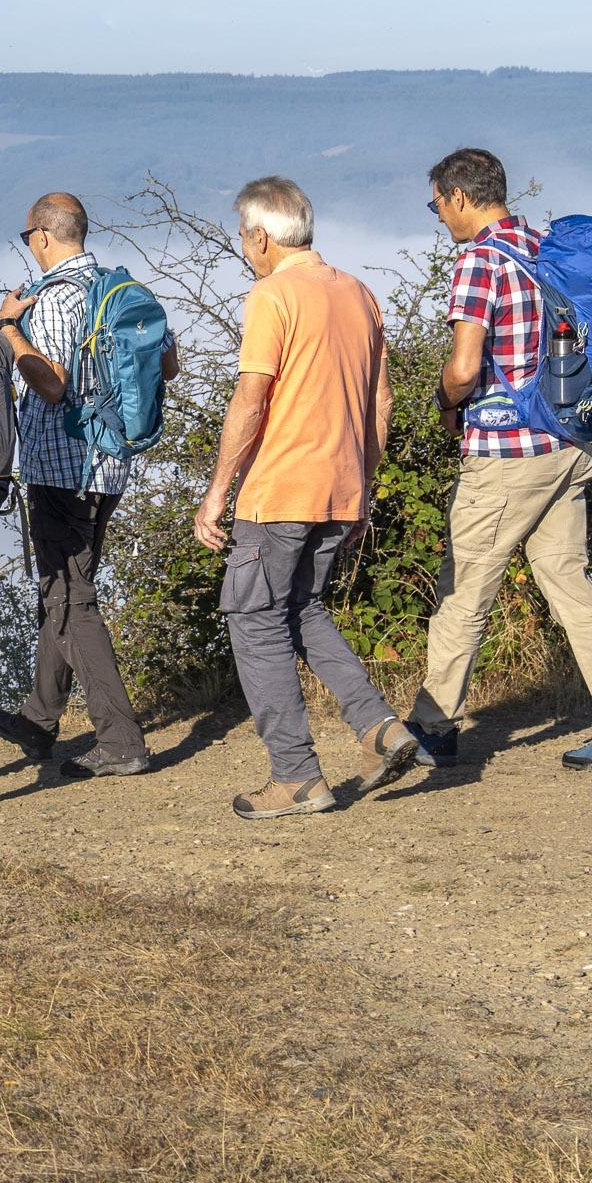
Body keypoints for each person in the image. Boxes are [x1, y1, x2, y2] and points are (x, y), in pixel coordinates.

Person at [409, 148, 592, 772]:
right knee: (571, 585)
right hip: (566, 444)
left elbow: (464, 368)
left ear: (460, 196)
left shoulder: (480, 261)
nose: (439, 217)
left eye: (437, 205)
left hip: (507, 455)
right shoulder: (544, 246)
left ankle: (432, 730)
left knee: (465, 589)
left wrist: (444, 403)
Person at [195, 177, 422, 820]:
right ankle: (380, 728)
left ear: (261, 237)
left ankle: (296, 776)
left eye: (244, 238)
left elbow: (251, 399)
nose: (244, 249)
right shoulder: (358, 293)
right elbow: (380, 403)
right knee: (302, 608)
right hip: (340, 486)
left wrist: (217, 492)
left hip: (280, 489)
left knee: (253, 619)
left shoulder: (272, 295)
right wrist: (362, 487)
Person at [0, 191, 175, 779]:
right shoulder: (120, 290)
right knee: (66, 588)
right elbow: (167, 366)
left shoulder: (52, 300)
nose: (29, 245)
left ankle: (120, 740)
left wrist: (10, 330)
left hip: (60, 470)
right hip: (111, 464)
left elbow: (51, 385)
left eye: (28, 236)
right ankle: (38, 719)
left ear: (43, 236)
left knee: (70, 597)